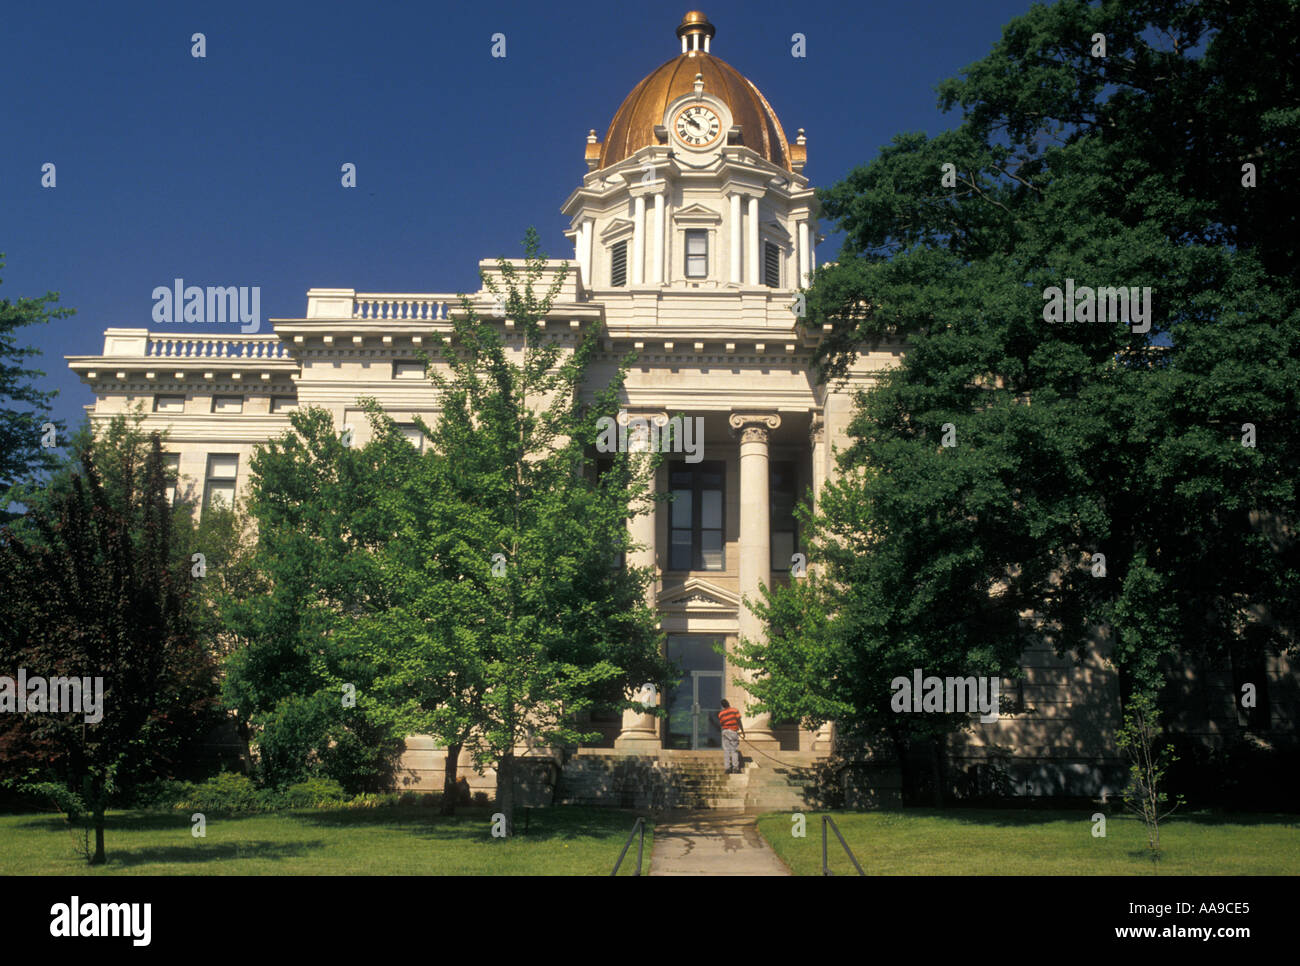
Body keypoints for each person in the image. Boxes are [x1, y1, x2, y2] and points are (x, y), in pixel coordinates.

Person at [718, 699, 745, 773]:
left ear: (722, 706)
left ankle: (727, 768)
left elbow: (721, 724)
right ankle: (735, 768)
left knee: (726, 750)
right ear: (728, 703)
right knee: (734, 750)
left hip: (725, 731)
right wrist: (742, 731)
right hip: (733, 731)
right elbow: (739, 721)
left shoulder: (720, 714)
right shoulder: (734, 710)